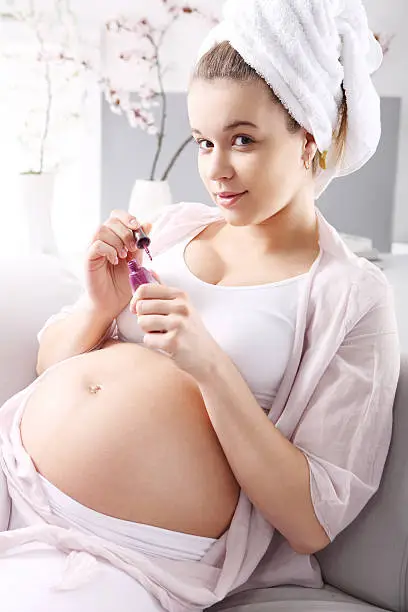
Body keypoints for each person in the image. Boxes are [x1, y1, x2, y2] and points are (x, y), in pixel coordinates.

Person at [0, 0, 400, 610]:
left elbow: (311, 520)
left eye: (243, 140)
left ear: (307, 137)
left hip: (129, 551)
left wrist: (208, 364)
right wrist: (99, 309)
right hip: (15, 475)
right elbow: (47, 364)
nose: (215, 170)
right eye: (203, 141)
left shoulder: (352, 297)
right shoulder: (173, 228)